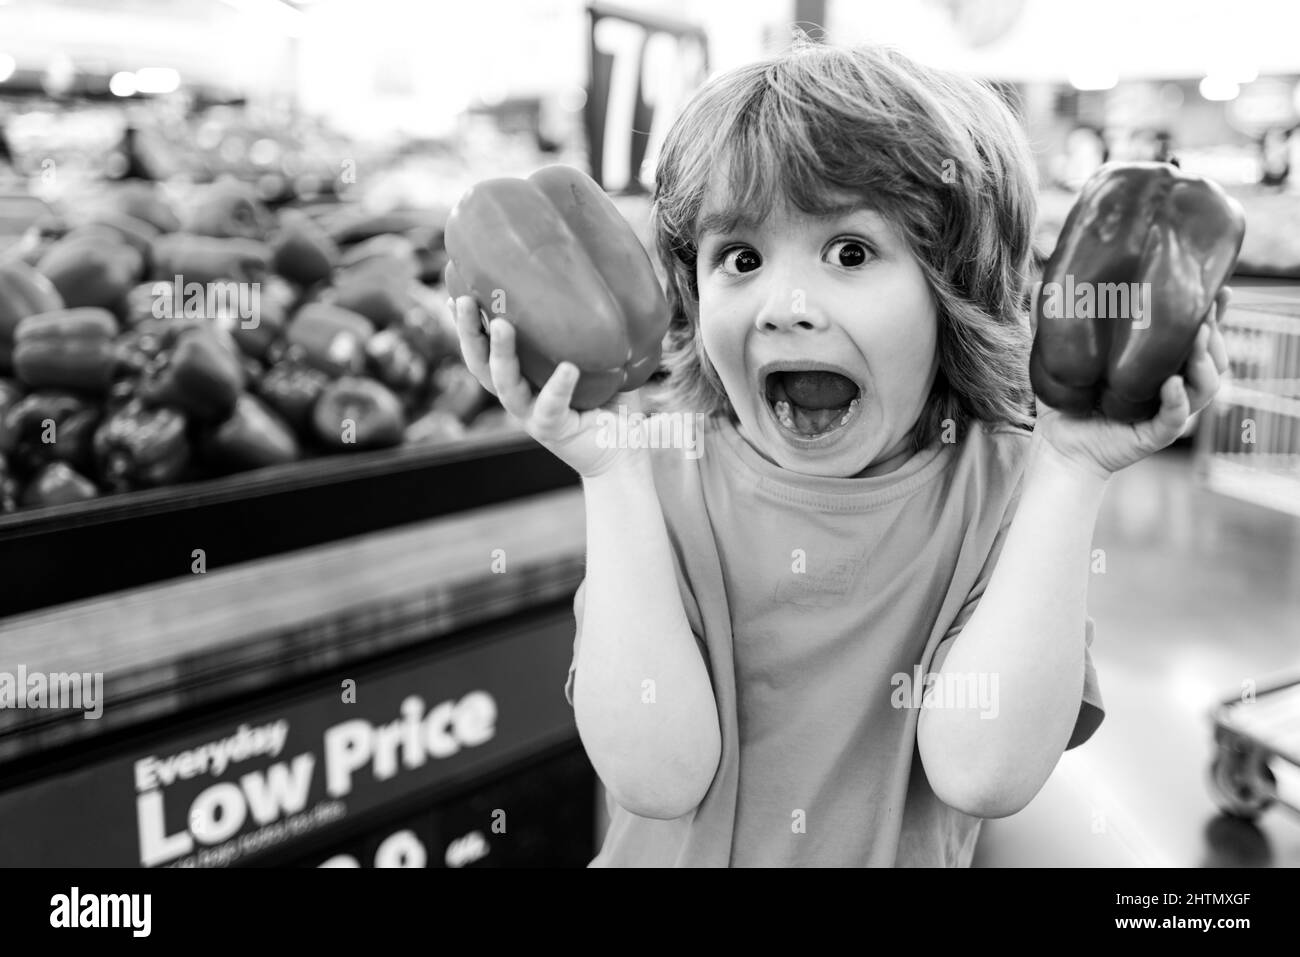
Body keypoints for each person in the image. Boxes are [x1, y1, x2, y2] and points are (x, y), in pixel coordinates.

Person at [450, 42, 1232, 866]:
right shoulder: (657, 473)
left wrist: (1073, 474)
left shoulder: (1011, 492)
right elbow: (656, 777)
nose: (786, 307)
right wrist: (608, 475)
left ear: (950, 287)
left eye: (851, 253)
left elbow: (983, 773)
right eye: (741, 258)